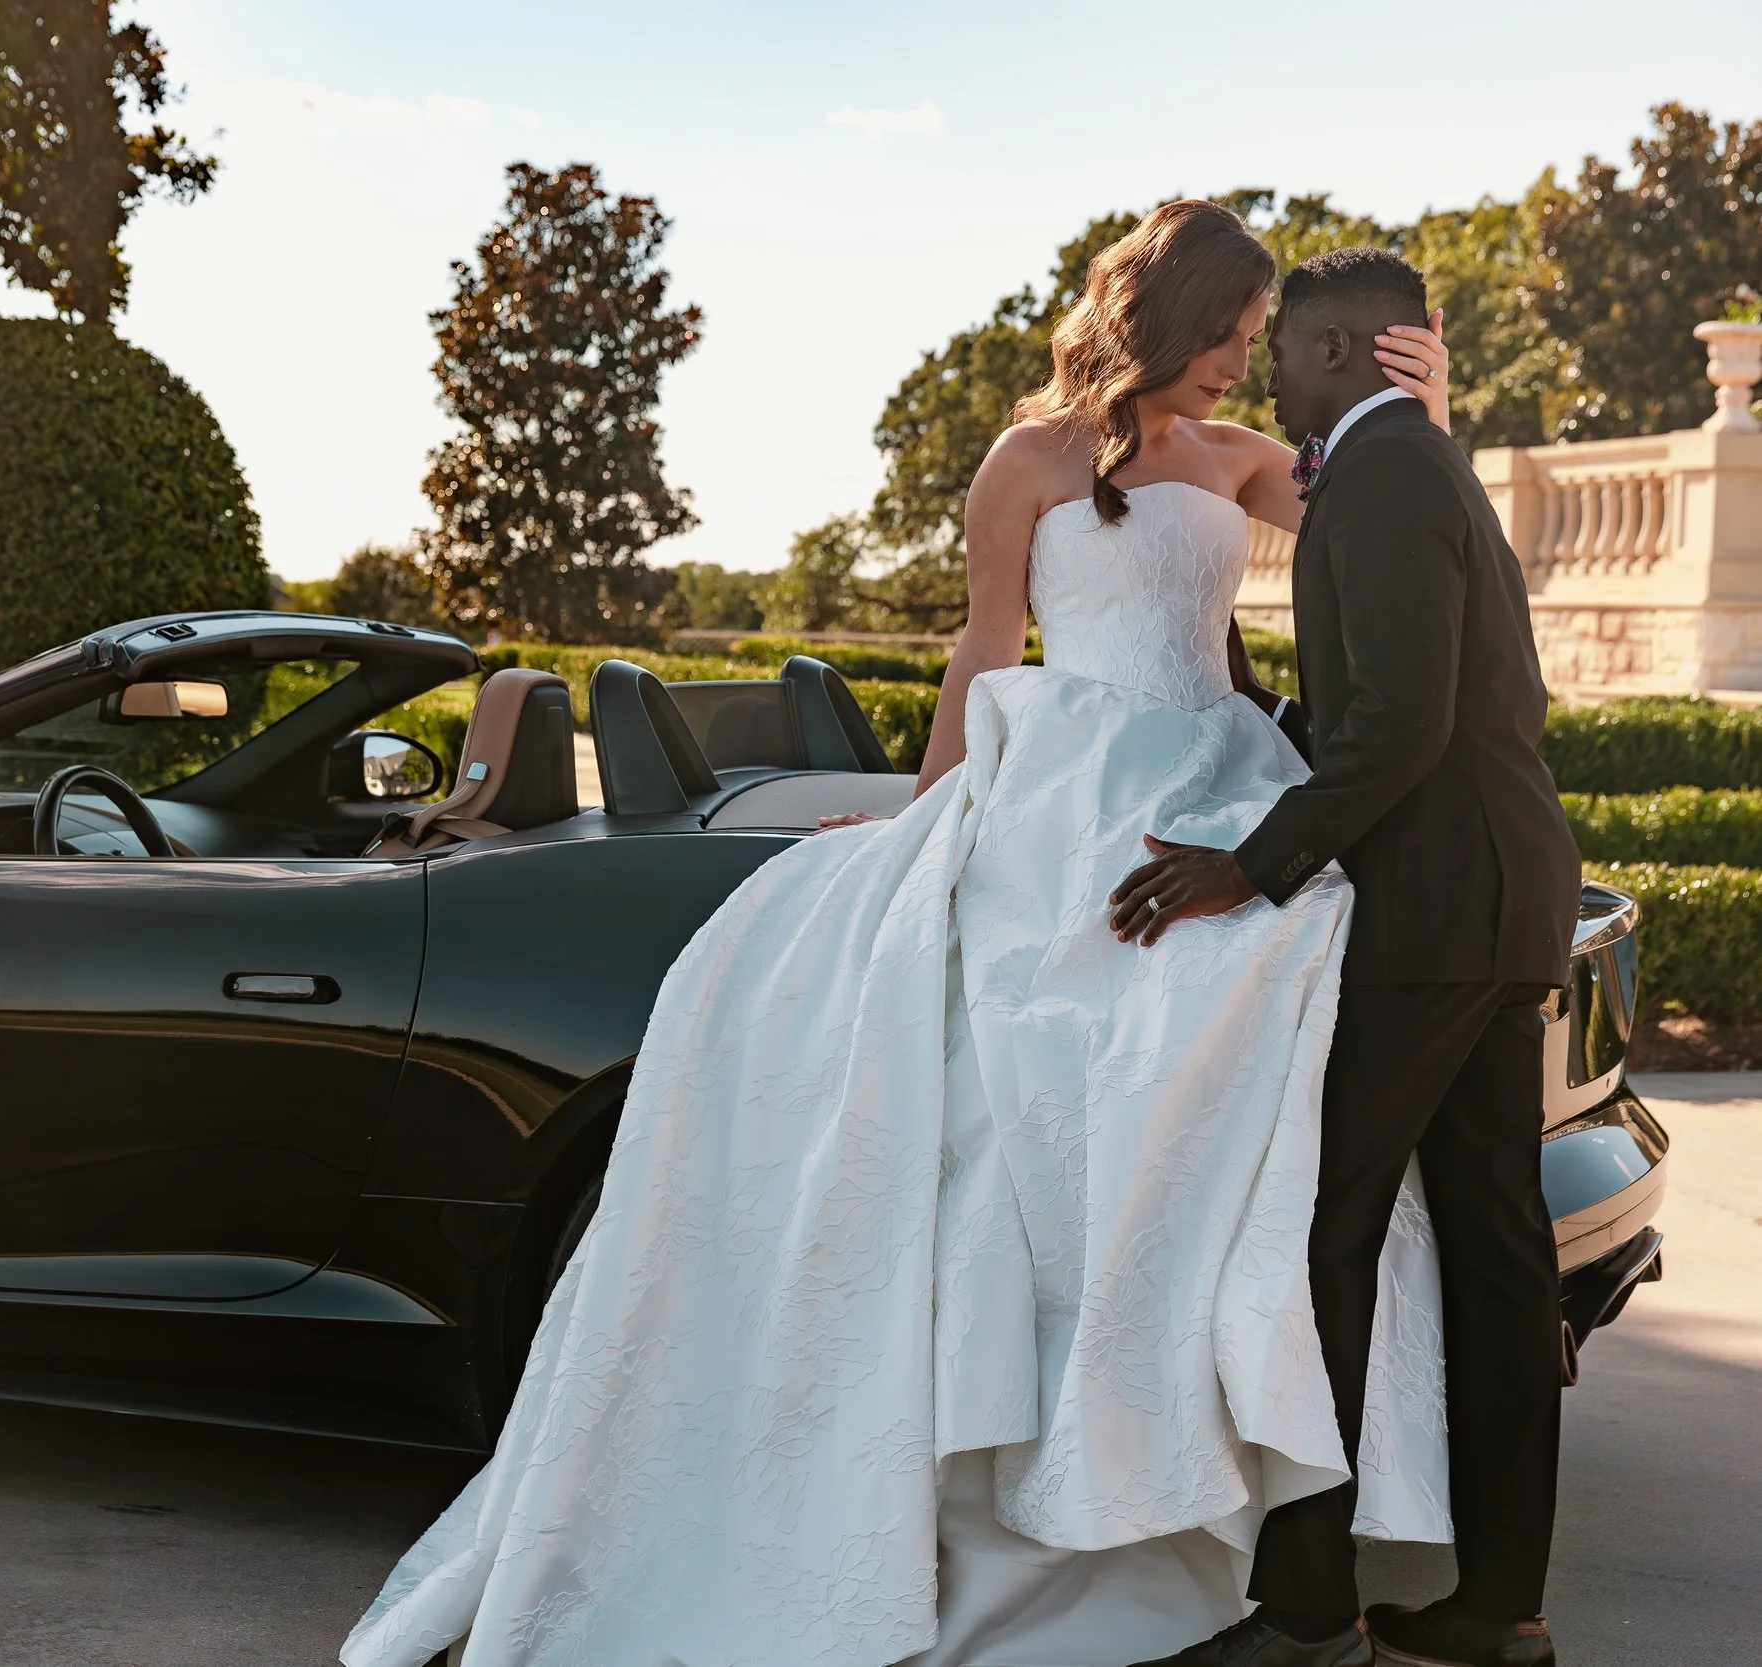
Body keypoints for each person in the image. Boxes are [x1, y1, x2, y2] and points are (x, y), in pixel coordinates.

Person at [341, 201, 1459, 1667]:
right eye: (1229, 335)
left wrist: (1427, 412)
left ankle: (1215, 1438)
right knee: (1025, 1055)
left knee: (1241, 999)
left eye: (1261, 342)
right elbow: (985, 651)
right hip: (1066, 782)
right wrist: (929, 824)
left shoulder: (1252, 461)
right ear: (1165, 314)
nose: (1245, 367)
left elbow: (1405, 529)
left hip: (1217, 765)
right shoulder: (1026, 464)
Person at [1111, 247, 1575, 1667]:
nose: (1262, 372)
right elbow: (1451, 696)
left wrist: (1241, 866)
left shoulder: (1377, 478)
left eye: (1277, 346)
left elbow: (1402, 732)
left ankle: (1308, 1602)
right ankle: (1496, 1609)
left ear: (1334, 351)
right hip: (1507, 910)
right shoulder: (1431, 472)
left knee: (1323, 1233)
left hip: (1428, 922)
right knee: (1501, 1257)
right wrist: (1283, 715)